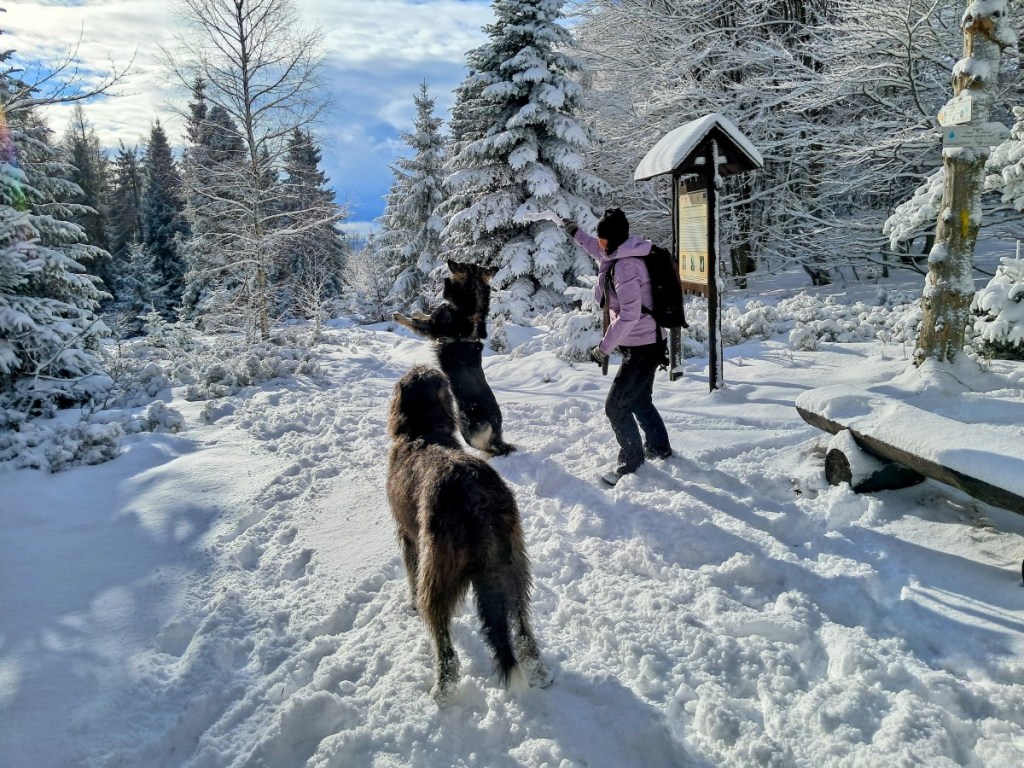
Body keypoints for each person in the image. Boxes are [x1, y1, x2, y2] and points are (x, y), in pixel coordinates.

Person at [565, 208, 673, 486]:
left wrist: (604, 347)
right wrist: (574, 231)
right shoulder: (618, 252)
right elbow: (594, 247)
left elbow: (630, 314)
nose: (599, 244)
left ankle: (631, 463)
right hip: (646, 341)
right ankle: (659, 448)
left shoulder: (627, 266)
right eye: (599, 240)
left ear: (613, 240)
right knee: (639, 399)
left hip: (643, 346)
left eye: (603, 240)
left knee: (616, 407)